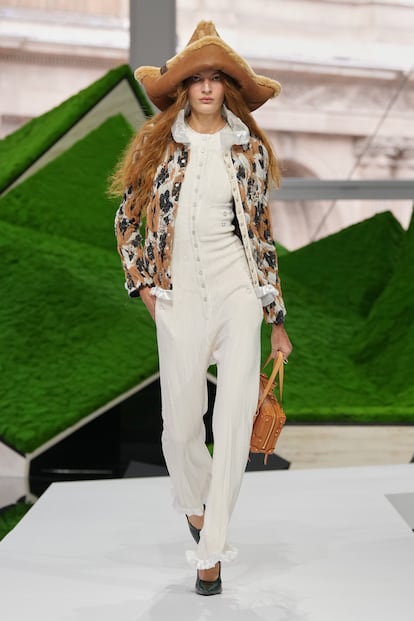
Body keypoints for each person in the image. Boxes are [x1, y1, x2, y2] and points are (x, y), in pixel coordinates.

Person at [111, 21, 292, 596]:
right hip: (178, 294)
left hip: (237, 289)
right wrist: (145, 289)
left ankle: (211, 551)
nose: (208, 87)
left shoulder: (249, 151)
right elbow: (126, 220)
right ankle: (194, 502)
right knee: (181, 426)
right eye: (198, 78)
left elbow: (259, 236)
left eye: (216, 78)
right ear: (184, 88)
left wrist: (276, 318)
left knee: (233, 420)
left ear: (228, 87)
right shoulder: (157, 145)